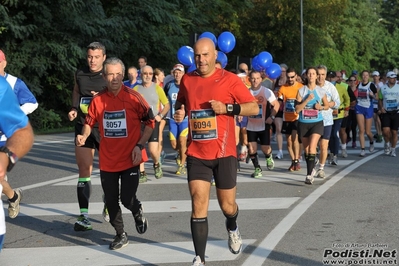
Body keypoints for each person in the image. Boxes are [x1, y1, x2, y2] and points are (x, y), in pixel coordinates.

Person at [174, 37, 259, 266]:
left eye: (205, 55)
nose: (201, 60)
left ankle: (232, 225)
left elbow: (254, 107)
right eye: (198, 56)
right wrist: (179, 112)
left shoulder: (229, 80)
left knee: (227, 206)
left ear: (214, 56)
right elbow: (180, 103)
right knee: (198, 201)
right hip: (197, 151)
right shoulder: (188, 80)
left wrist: (227, 108)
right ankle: (200, 258)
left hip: (224, 153)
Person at [76, 57, 154, 250]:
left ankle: (137, 210)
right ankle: (121, 234)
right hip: (108, 160)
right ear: (104, 76)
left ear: (123, 75)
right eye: (110, 74)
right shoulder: (98, 100)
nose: (114, 78)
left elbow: (151, 123)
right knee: (111, 201)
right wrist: (83, 136)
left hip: (131, 158)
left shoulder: (134, 98)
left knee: (127, 198)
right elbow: (89, 122)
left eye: (118, 74)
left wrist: (140, 145)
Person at [67, 42, 108, 231]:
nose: (92, 60)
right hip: (83, 126)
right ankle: (84, 217)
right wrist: (74, 108)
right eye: (90, 56)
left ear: (104, 58)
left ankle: (110, 200)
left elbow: (119, 97)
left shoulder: (109, 75)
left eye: (96, 57)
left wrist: (101, 98)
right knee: (84, 170)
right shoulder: (80, 73)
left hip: (105, 128)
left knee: (110, 170)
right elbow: (76, 90)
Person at [0, 49, 38, 218]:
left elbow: (32, 103)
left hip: (7, 139)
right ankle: (13, 196)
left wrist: (11, 114)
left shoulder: (14, 83)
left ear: (4, 63)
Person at [0, 76, 34, 251]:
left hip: (5, 139)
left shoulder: (6, 85)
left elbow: (24, 132)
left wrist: (7, 156)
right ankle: (13, 196)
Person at [133, 65, 170, 182]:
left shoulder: (157, 88)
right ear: (141, 75)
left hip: (153, 122)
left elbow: (167, 104)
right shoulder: (136, 89)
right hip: (140, 123)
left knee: (153, 150)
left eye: (150, 74)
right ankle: (142, 172)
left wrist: (161, 115)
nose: (148, 76)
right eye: (145, 73)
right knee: (140, 147)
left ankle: (156, 164)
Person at [295, 67, 329, 185]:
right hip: (304, 123)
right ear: (306, 76)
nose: (311, 76)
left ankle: (309, 175)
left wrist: (321, 107)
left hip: (317, 122)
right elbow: (297, 109)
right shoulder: (301, 91)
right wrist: (307, 100)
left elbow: (327, 106)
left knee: (312, 147)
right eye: (309, 73)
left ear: (316, 76)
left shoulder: (320, 91)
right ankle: (312, 165)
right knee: (306, 149)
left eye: (313, 74)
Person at [247, 70, 280, 178]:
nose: (255, 81)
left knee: (265, 148)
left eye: (257, 78)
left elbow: (276, 105)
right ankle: (257, 169)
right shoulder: (246, 92)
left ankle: (268, 156)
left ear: (261, 79)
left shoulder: (266, 91)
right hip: (250, 125)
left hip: (264, 124)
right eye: (253, 78)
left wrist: (272, 117)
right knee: (252, 148)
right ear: (249, 79)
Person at [315, 67, 340, 178]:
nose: (320, 77)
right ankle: (314, 159)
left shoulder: (330, 87)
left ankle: (321, 168)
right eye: (318, 74)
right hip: (312, 120)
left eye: (323, 74)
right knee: (313, 146)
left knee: (324, 145)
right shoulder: (310, 86)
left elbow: (337, 102)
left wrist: (327, 105)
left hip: (326, 120)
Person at [164, 64, 188, 174]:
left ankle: (182, 165)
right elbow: (164, 99)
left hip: (185, 119)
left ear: (183, 74)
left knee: (182, 141)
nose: (177, 74)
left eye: (179, 72)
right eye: (175, 72)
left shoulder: (187, 86)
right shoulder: (169, 85)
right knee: (174, 145)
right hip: (173, 119)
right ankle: (180, 153)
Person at [278, 68, 303, 171]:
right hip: (286, 117)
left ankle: (297, 160)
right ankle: (293, 161)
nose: (290, 79)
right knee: (288, 141)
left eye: (292, 77)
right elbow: (279, 102)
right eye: (288, 77)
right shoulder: (283, 88)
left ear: (296, 76)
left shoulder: (301, 87)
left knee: (295, 138)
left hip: (297, 117)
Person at [355, 70, 377, 157]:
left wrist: (372, 95)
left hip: (368, 108)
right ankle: (362, 149)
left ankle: (371, 142)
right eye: (363, 75)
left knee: (368, 132)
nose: (365, 77)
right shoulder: (359, 84)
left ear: (369, 76)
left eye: (366, 75)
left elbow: (377, 97)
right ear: (361, 76)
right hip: (359, 107)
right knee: (361, 130)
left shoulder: (371, 85)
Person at [378, 71, 399, 157]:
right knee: (386, 131)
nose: (393, 79)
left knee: (394, 132)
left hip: (396, 112)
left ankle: (393, 149)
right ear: (387, 78)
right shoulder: (383, 88)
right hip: (386, 112)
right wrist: (381, 108)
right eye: (391, 77)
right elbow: (380, 99)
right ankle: (387, 143)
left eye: (395, 78)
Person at [371, 71, 384, 143]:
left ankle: (380, 134)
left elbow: (380, 96)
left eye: (376, 76)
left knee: (378, 120)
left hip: (379, 104)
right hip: (373, 104)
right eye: (374, 76)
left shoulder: (381, 85)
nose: (375, 77)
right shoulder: (371, 84)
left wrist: (381, 107)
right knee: (376, 120)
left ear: (379, 77)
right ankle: (379, 133)